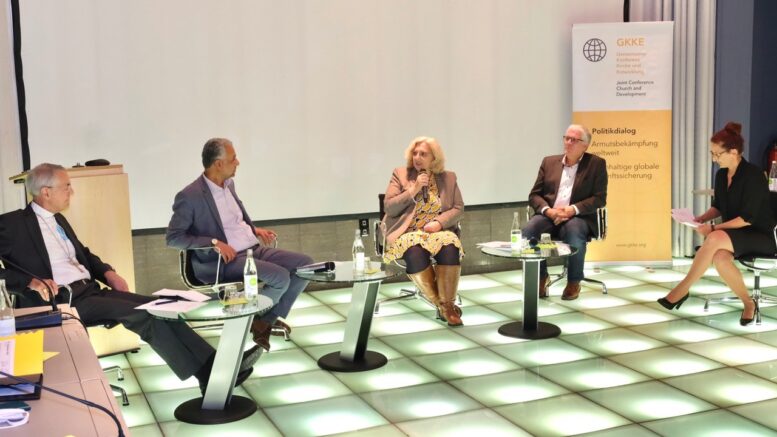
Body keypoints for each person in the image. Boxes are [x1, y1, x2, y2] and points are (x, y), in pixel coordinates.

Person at [0, 163, 258, 394]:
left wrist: (108, 273)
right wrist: (29, 283)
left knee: (161, 308)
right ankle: (211, 374)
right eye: (66, 186)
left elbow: (83, 254)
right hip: (64, 301)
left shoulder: (59, 220)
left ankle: (215, 367)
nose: (71, 191)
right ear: (46, 192)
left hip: (90, 291)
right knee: (145, 315)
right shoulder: (12, 224)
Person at [167, 138, 313, 350]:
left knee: (306, 266)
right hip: (223, 261)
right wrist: (214, 242)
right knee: (280, 277)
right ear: (218, 164)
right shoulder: (190, 196)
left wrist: (254, 230)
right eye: (233, 159)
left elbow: (231, 222)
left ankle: (265, 320)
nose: (238, 162)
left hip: (252, 249)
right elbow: (173, 238)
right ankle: (256, 319)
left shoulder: (229, 185)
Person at [658, 122, 775, 326]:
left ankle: (683, 288)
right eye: (712, 154)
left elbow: (746, 219)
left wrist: (713, 228)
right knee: (720, 258)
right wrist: (701, 218)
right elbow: (719, 206)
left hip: (760, 235)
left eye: (717, 154)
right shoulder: (721, 175)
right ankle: (748, 303)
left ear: (734, 152)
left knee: (715, 237)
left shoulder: (754, 175)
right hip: (735, 234)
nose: (714, 159)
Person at [382, 136, 465, 326]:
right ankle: (445, 307)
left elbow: (458, 208)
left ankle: (446, 305)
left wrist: (439, 223)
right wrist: (414, 189)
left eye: (423, 154)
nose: (417, 157)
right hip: (407, 232)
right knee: (415, 253)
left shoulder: (449, 178)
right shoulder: (400, 174)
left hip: (437, 231)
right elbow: (389, 207)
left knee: (450, 247)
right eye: (415, 153)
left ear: (434, 158)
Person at [524, 124, 608, 300]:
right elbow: (534, 195)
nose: (568, 142)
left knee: (574, 232)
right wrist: (548, 211)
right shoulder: (549, 162)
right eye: (567, 138)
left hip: (578, 216)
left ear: (585, 145)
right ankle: (540, 276)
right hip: (549, 215)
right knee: (529, 231)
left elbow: (599, 198)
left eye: (574, 140)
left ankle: (574, 281)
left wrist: (572, 209)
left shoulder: (596, 164)